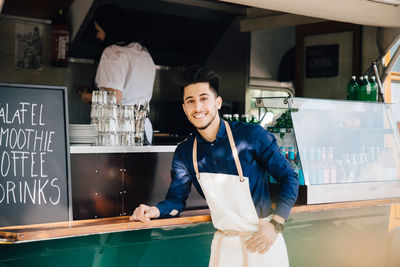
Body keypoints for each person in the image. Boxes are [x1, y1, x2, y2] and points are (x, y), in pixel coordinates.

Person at [130, 66, 299, 266]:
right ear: (184, 108)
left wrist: (276, 223)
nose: (198, 107)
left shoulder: (252, 136)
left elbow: (289, 177)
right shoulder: (185, 153)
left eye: (204, 98)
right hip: (226, 248)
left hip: (263, 241)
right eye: (190, 101)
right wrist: (153, 211)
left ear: (218, 102)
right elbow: (176, 200)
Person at [79, 4, 156, 142]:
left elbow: (115, 97)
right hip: (143, 129)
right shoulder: (145, 53)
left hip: (120, 131)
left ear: (110, 29)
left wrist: (87, 96)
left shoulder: (113, 52)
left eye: (99, 30)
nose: (98, 35)